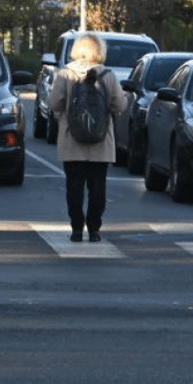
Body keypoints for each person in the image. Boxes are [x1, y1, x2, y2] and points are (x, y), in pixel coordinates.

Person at [47, 33, 127, 242]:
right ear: (99, 51)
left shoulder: (66, 74)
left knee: (74, 187)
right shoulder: (108, 75)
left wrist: (64, 115)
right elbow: (120, 105)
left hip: (71, 141)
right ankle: (94, 229)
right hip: (101, 142)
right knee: (97, 188)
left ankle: (76, 228)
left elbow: (53, 103)